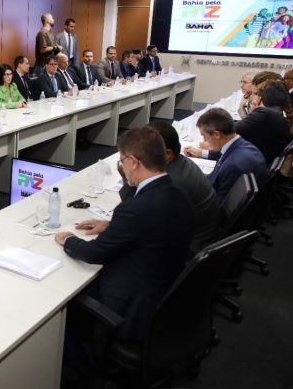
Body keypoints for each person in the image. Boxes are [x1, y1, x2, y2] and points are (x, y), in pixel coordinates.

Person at [55, 126, 194, 341]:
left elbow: (93, 253)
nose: (122, 167)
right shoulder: (179, 193)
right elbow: (148, 226)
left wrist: (68, 240)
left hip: (130, 304)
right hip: (163, 289)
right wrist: (111, 225)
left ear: (133, 162)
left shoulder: (135, 209)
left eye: (122, 161)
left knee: (64, 296)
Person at [118, 122, 219, 254]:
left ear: (167, 154)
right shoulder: (180, 162)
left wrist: (127, 177)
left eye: (145, 151)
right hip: (196, 236)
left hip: (188, 250)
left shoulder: (170, 183)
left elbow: (136, 217)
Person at [183, 108, 266, 204]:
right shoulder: (243, 146)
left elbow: (219, 205)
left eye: (204, 136)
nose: (204, 140)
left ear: (217, 135)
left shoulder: (234, 166)